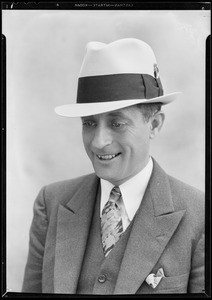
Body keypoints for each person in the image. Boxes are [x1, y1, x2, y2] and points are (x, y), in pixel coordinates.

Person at [22, 38, 204, 294]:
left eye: (117, 123)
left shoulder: (199, 216)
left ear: (154, 125)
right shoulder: (51, 204)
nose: (98, 142)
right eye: (89, 123)